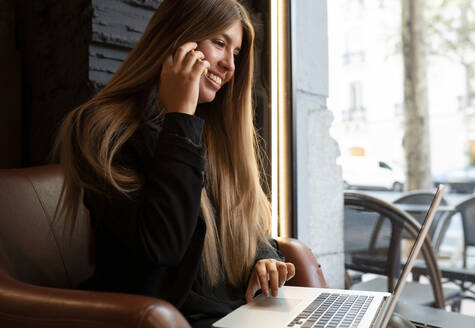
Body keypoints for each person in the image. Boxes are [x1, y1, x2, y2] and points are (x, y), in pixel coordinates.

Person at [54, 0, 295, 326]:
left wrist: (262, 257)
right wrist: (180, 117)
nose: (229, 66)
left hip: (240, 314)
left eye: (235, 54)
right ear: (177, 39)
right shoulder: (103, 129)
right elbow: (163, 247)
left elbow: (242, 222)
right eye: (220, 43)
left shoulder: (209, 131)